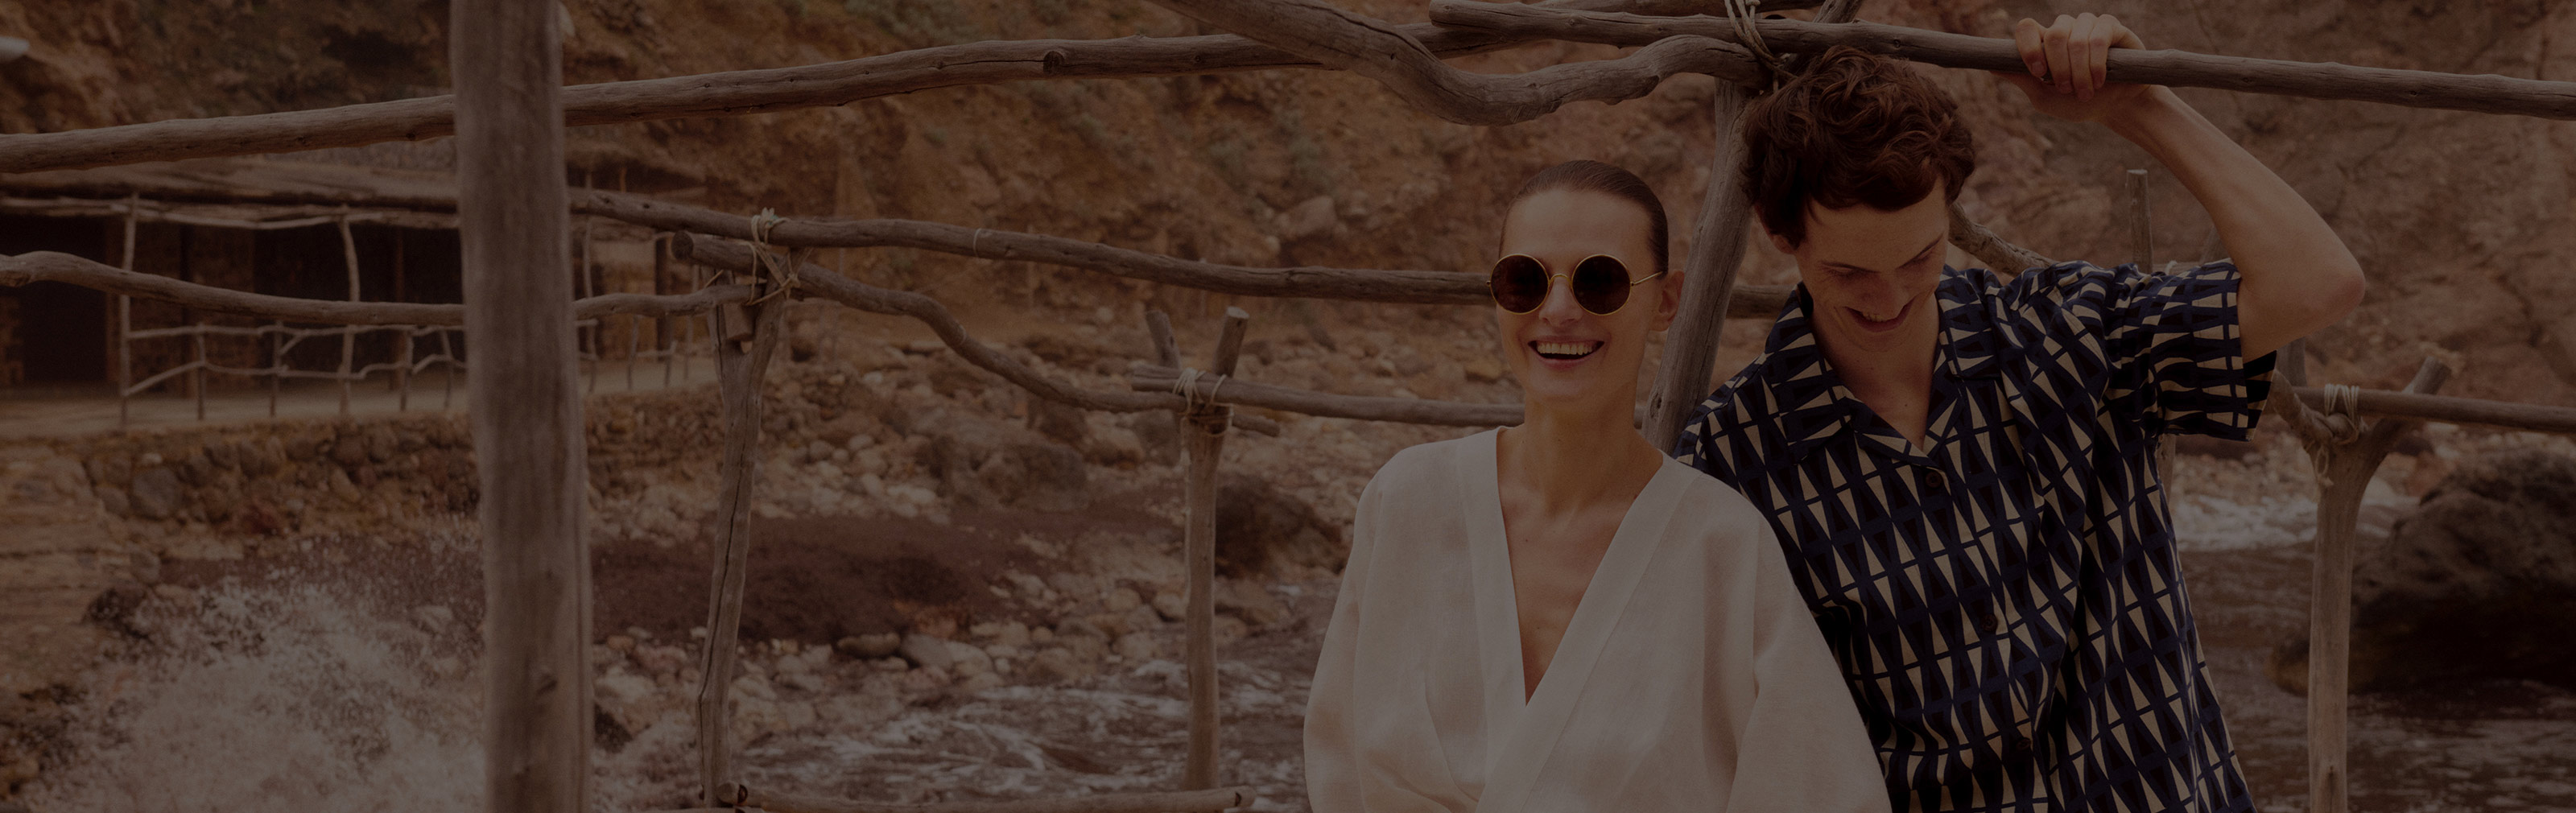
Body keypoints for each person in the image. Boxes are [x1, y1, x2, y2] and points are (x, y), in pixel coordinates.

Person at [1672, 15, 2367, 813]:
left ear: (1951, 217)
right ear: (1777, 234)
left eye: (1918, 257)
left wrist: (2135, 109)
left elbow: (2318, 284)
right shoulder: (1733, 454)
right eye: (1849, 270)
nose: (1890, 295)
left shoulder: (2065, 330)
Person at [1305, 159, 1887, 813]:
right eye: (1525, 280)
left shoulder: (1721, 547)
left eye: (1600, 282)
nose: (1558, 311)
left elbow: (1824, 788)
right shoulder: (1406, 502)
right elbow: (1337, 766)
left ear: (1666, 300)